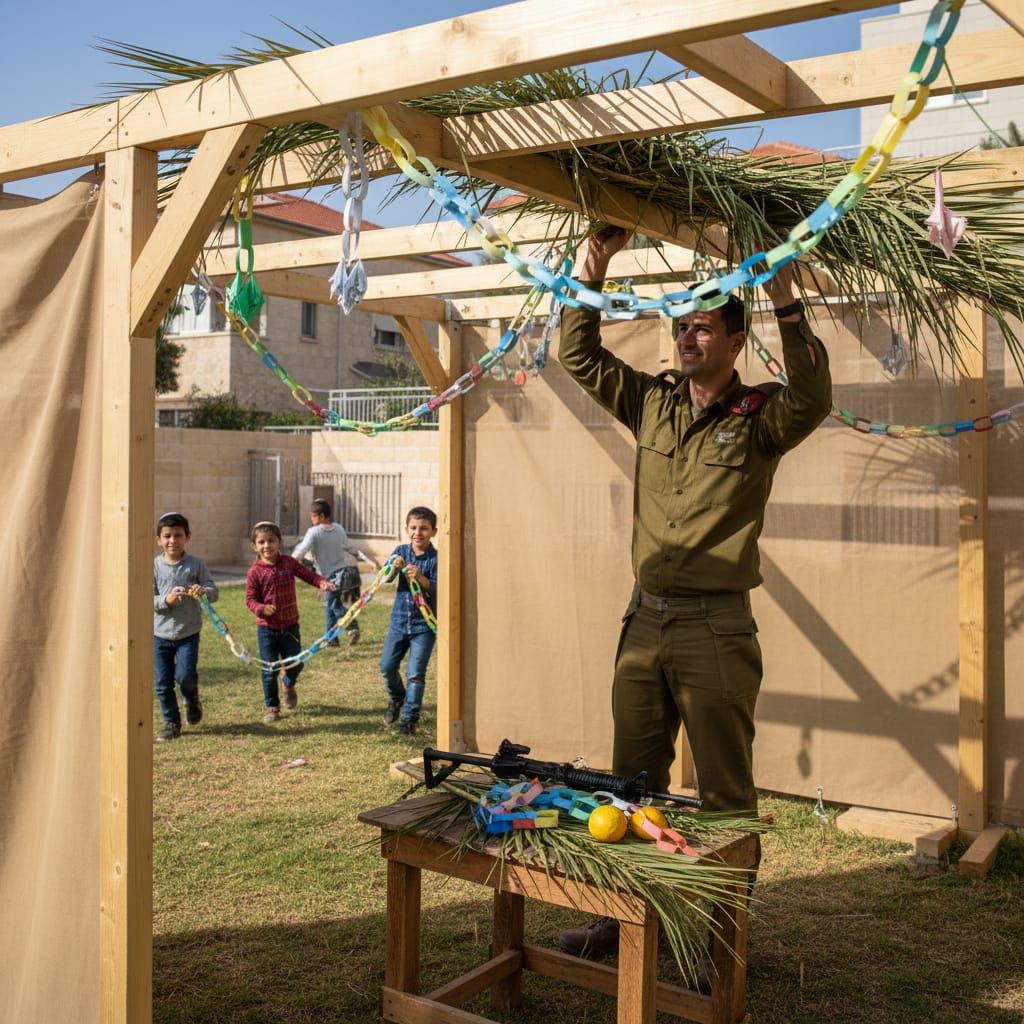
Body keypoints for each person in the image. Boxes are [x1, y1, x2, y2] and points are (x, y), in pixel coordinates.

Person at [557, 227, 833, 959]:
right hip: (644, 622)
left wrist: (785, 298)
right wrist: (596, 261)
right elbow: (576, 354)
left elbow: (814, 395)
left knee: (724, 798)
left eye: (703, 327)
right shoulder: (653, 402)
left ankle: (720, 943)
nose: (686, 337)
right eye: (682, 326)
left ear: (737, 342)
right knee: (631, 788)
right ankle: (624, 924)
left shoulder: (762, 418)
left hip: (716, 628)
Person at [245, 520, 336, 723]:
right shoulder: (254, 572)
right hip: (267, 629)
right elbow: (250, 600)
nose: (266, 546)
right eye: (261, 542)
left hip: (290, 626)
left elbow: (307, 574)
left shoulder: (288, 562)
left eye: (271, 541)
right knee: (270, 669)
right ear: (254, 546)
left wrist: (321, 582)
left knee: (295, 663)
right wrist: (261, 609)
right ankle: (272, 707)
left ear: (279, 542)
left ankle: (288, 682)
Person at [153, 512, 219, 742]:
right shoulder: (153, 566)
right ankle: (172, 723)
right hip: (159, 635)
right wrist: (165, 601)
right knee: (162, 683)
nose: (173, 541)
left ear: (187, 537)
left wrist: (204, 591)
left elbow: (213, 591)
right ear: (159, 540)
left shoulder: (195, 564)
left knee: (185, 677)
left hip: (188, 633)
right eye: (167, 536)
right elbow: (145, 598)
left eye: (178, 535)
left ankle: (192, 699)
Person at [380, 506, 439, 737]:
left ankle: (409, 719)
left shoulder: (437, 559)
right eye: (413, 528)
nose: (418, 533)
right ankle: (397, 699)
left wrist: (422, 579)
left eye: (424, 528)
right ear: (407, 529)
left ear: (433, 531)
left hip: (423, 626)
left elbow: (440, 588)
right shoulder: (400, 550)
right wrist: (392, 569)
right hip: (398, 622)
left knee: (415, 673)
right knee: (387, 667)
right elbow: (385, 578)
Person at [292, 498, 380, 647]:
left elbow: (301, 550)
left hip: (329, 578)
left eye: (313, 516)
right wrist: (367, 560)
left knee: (334, 606)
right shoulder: (338, 528)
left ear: (320, 516)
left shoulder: (313, 532)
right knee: (329, 605)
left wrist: (288, 563)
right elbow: (351, 549)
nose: (311, 519)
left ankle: (352, 627)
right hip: (343, 574)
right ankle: (331, 639)